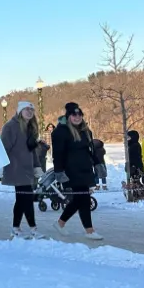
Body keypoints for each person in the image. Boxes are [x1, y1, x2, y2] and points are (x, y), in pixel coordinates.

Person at [52, 102, 103, 240]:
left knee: (79, 200)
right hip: (71, 170)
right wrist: (59, 171)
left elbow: (91, 150)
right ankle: (89, 231)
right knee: (84, 199)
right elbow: (57, 153)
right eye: (74, 114)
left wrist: (98, 164)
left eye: (79, 114)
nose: (77, 117)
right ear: (68, 116)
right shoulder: (60, 132)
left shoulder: (86, 131)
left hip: (85, 169)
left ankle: (60, 223)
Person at [1, 101, 44, 239]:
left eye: (31, 110)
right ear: (20, 111)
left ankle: (15, 227)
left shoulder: (30, 128)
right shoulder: (10, 127)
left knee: (21, 199)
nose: (29, 112)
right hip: (16, 168)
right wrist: (0, 166)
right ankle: (33, 228)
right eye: (26, 109)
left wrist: (37, 166)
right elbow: (4, 148)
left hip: (27, 169)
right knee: (27, 198)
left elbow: (33, 152)